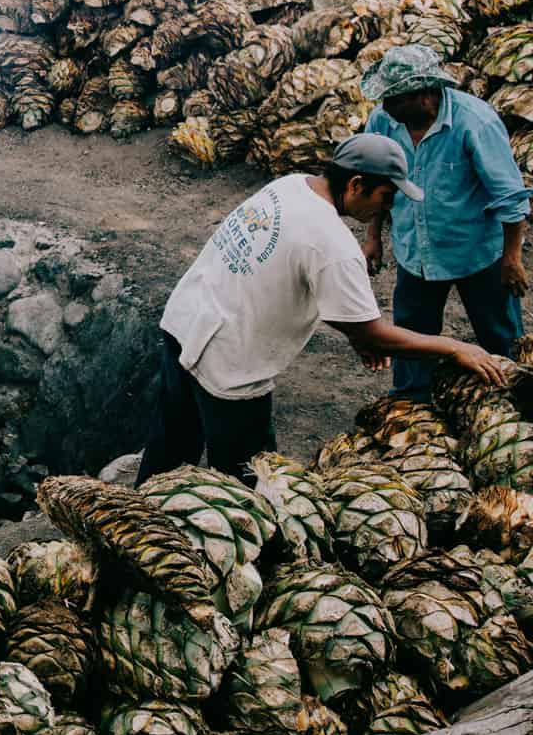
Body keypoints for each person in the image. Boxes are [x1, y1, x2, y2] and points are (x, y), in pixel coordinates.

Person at [138, 134, 506, 484]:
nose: (388, 208)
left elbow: (304, 278)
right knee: (249, 481)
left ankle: (144, 518)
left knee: (170, 444)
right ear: (356, 185)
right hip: (229, 357)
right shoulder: (333, 245)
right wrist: (455, 347)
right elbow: (372, 332)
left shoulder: (290, 186)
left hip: (186, 319)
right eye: (387, 196)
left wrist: (359, 335)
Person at [361, 44, 530, 396]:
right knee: (410, 338)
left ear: (424, 94)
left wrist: (512, 258)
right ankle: (411, 409)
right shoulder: (384, 120)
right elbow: (376, 181)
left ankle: (511, 408)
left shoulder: (474, 122)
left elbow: (510, 196)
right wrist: (373, 236)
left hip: (477, 253)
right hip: (415, 251)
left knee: (501, 339)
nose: (385, 106)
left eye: (394, 98)